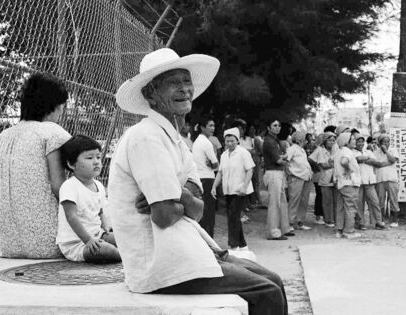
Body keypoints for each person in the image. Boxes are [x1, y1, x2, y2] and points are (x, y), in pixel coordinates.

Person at [108, 48, 287, 314]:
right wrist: (182, 198)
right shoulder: (145, 136)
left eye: (186, 81)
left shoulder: (176, 141)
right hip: (164, 266)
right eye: (173, 83)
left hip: (189, 250)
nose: (184, 89)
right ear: (150, 95)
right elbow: (165, 216)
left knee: (274, 281)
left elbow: (198, 208)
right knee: (267, 292)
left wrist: (175, 193)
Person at [0, 73, 71, 258]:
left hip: (9, 244)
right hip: (48, 243)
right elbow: (59, 187)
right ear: (55, 106)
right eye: (62, 108)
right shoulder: (52, 132)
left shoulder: (4, 135)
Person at [57, 135, 121, 262]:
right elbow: (71, 216)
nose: (96, 161)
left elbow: (100, 211)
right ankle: (126, 257)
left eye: (98, 157)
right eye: (89, 158)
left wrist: (106, 225)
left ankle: (124, 252)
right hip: (76, 243)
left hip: (98, 235)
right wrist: (88, 240)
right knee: (107, 251)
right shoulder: (69, 186)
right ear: (71, 164)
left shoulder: (99, 186)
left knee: (122, 238)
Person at [212, 127, 254, 250]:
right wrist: (214, 186)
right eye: (227, 141)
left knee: (233, 216)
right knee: (233, 216)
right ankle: (242, 245)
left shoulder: (243, 153)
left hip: (239, 190)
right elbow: (220, 172)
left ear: (237, 140)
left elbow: (250, 170)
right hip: (228, 190)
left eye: (232, 141)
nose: (229, 143)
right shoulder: (224, 155)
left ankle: (233, 245)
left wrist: (244, 186)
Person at [263, 118, 294, 240]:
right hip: (273, 173)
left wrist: (284, 157)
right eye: (274, 125)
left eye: (279, 125)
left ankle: (283, 229)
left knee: (282, 201)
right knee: (274, 203)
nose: (277, 127)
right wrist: (287, 157)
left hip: (278, 172)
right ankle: (273, 232)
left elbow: (280, 158)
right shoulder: (270, 141)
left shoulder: (275, 140)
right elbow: (278, 160)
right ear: (268, 128)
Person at [353, 134, 387, 230]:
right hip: (358, 182)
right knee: (359, 204)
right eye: (358, 141)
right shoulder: (352, 152)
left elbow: (376, 162)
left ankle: (378, 222)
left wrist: (364, 159)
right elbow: (357, 159)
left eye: (362, 141)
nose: (360, 143)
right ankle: (360, 223)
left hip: (370, 182)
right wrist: (367, 159)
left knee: (375, 202)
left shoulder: (367, 151)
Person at [192, 116, 219, 237]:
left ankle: (203, 240)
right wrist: (214, 164)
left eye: (213, 125)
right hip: (208, 179)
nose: (212, 128)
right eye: (210, 126)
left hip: (199, 178)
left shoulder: (197, 141)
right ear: (202, 127)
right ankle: (209, 240)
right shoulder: (207, 143)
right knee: (209, 212)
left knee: (203, 211)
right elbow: (216, 164)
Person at [334, 132, 362, 239]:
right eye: (353, 139)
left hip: (341, 183)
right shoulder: (347, 151)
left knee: (341, 207)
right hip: (349, 183)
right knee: (350, 207)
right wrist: (349, 169)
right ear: (347, 141)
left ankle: (339, 230)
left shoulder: (338, 151)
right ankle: (349, 231)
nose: (355, 141)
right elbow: (344, 161)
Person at [286, 131, 313, 230]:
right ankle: (290, 222)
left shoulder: (302, 150)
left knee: (304, 201)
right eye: (303, 138)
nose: (305, 140)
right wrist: (290, 173)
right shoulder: (292, 149)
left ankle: (300, 221)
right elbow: (286, 162)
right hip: (296, 177)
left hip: (306, 177)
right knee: (294, 200)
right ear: (298, 139)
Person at [374, 134, 400, 227]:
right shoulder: (375, 152)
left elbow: (392, 160)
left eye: (388, 142)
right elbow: (376, 164)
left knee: (393, 199)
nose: (386, 144)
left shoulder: (393, 150)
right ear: (380, 143)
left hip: (391, 178)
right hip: (380, 179)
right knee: (380, 199)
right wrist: (387, 163)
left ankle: (395, 220)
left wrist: (386, 151)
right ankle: (381, 219)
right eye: (384, 142)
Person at [316, 132, 337, 226]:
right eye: (330, 140)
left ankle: (334, 219)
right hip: (325, 179)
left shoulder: (335, 150)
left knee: (335, 200)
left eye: (333, 140)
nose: (332, 142)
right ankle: (328, 220)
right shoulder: (320, 151)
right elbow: (323, 165)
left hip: (335, 178)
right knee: (327, 201)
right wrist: (333, 164)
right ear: (325, 141)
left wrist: (332, 164)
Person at [308, 133, 325, 225]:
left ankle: (321, 215)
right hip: (318, 176)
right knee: (320, 196)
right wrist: (316, 168)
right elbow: (310, 159)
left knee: (321, 196)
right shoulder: (319, 149)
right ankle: (318, 216)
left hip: (321, 176)